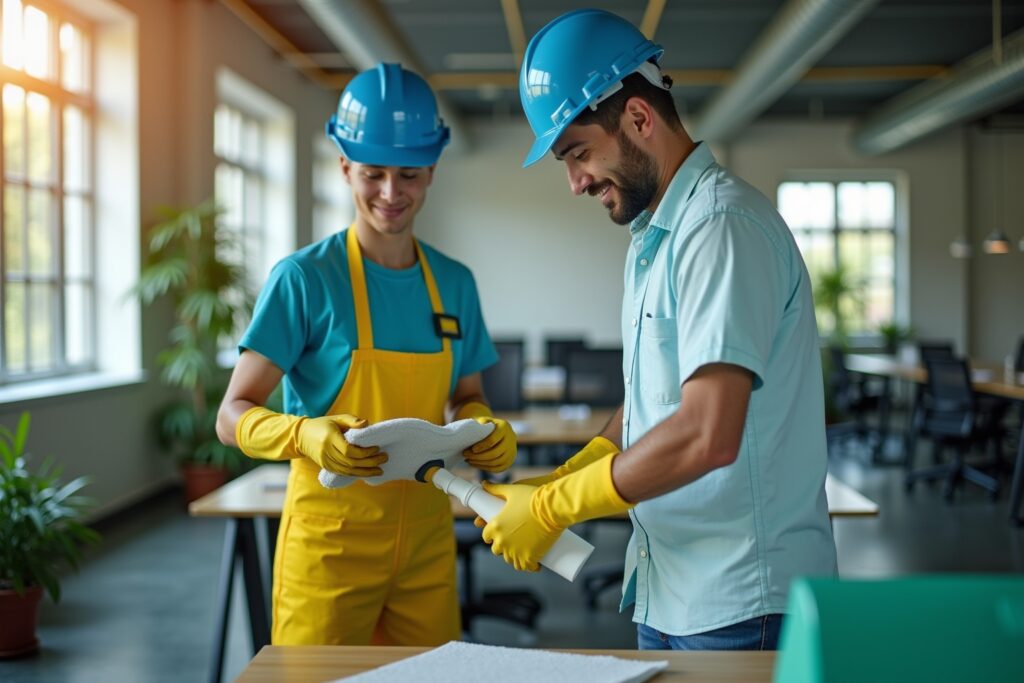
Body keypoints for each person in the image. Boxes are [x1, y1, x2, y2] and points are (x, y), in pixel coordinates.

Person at [478, 9, 838, 651]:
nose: (575, 183)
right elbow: (657, 396)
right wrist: (574, 468)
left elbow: (706, 433)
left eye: (578, 153)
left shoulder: (722, 229)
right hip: (671, 587)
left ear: (640, 119)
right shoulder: (657, 237)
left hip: (739, 603)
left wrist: (559, 507)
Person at [216, 63, 516, 647]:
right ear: (345, 167)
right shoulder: (304, 279)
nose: (390, 193)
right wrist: (302, 435)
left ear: (431, 171)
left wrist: (484, 425)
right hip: (330, 549)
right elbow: (232, 414)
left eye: (408, 175)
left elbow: (468, 394)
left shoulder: (454, 283)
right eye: (372, 174)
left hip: (428, 546)